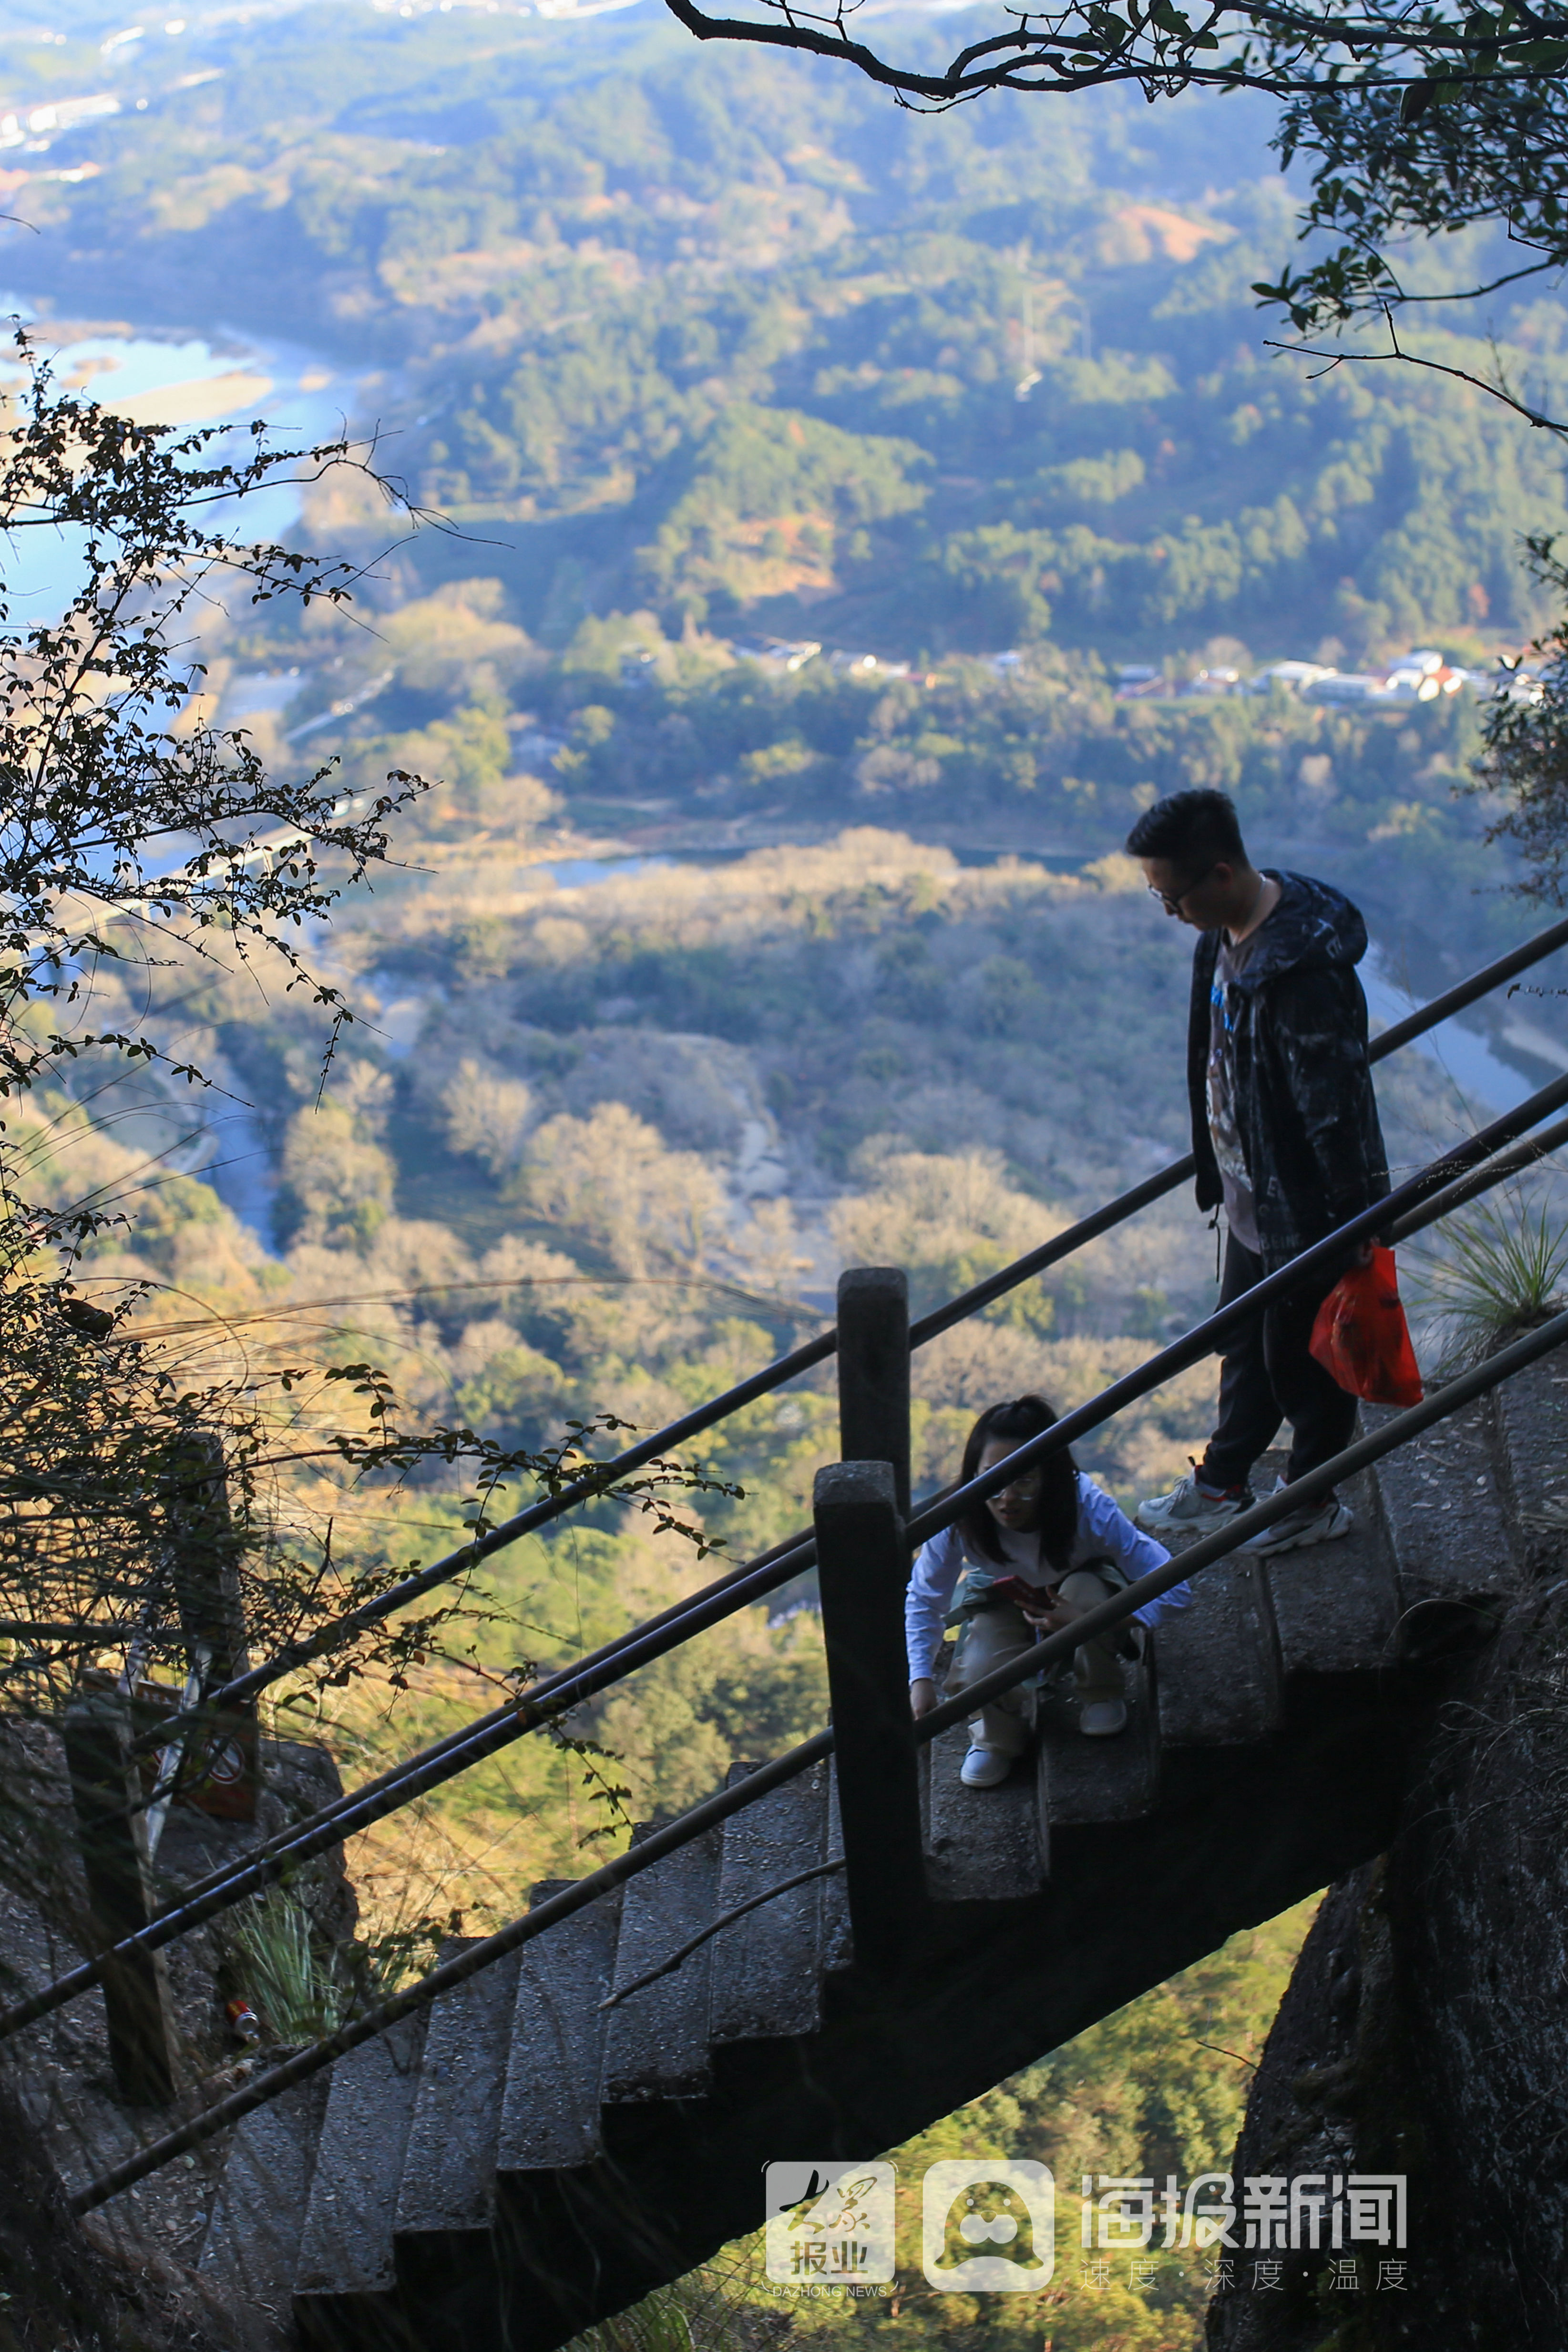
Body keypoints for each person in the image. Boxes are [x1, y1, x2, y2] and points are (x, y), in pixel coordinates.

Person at [1126, 787, 1390, 1555]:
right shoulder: (1221, 937)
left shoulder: (1301, 971)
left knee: (1302, 1361)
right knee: (1242, 1342)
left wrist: (1353, 1229)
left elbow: (1333, 1113)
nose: (1168, 911)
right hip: (1249, 1190)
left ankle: (1311, 1499)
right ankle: (1223, 1479)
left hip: (1306, 1211)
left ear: (1218, 875)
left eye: (1171, 896)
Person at [905, 1395, 1189, 1788]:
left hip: (1080, 1583)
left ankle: (1100, 1689)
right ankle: (997, 1734)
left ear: (1049, 1477)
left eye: (1023, 1480)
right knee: (982, 1658)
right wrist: (919, 1678)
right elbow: (925, 1598)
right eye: (992, 1478)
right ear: (974, 1474)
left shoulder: (1086, 1508)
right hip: (1005, 1593)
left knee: (1088, 1592)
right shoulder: (959, 1516)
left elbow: (1176, 1585)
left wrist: (1094, 1621)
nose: (1006, 1498)